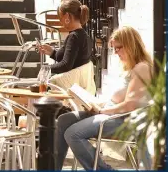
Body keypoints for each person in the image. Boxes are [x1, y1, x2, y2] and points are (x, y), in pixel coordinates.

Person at [56, 26, 152, 170]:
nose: (116, 52)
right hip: (112, 114)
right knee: (64, 120)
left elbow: (129, 106)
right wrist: (91, 103)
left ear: (130, 45)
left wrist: (102, 111)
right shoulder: (130, 69)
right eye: (114, 49)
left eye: (118, 48)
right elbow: (118, 98)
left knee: (73, 133)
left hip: (123, 120)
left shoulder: (142, 68)